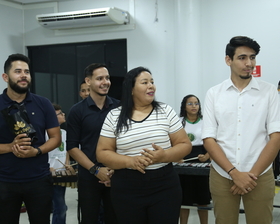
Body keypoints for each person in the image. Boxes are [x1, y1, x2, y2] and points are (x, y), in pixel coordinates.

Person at [96, 66, 192, 224]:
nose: (151, 86)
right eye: (145, 82)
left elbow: (184, 144)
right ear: (131, 89)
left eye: (152, 82)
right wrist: (130, 162)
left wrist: (164, 156)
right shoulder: (114, 116)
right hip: (126, 187)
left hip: (164, 185)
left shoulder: (165, 111)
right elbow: (102, 152)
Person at [202, 36, 280, 224]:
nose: (249, 63)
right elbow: (209, 139)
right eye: (242, 58)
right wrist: (234, 174)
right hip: (223, 174)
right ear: (228, 60)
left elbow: (276, 138)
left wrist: (250, 176)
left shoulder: (269, 92)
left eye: (252, 58)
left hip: (259, 174)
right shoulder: (214, 93)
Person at [0, 53, 61, 224]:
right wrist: (11, 146)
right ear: (6, 77)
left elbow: (56, 137)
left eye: (26, 72)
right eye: (18, 71)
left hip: (39, 180)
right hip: (4, 180)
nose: (23, 76)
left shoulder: (43, 104)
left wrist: (37, 151)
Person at [66, 63, 119, 224]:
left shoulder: (119, 107)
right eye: (100, 78)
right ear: (88, 81)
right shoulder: (77, 110)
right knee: (89, 219)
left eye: (107, 78)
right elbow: (72, 147)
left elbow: (125, 141)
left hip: (116, 174)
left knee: (115, 219)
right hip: (89, 176)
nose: (105, 82)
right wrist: (96, 170)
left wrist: (113, 169)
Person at [178, 94, 211, 224]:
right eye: (190, 103)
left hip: (202, 158)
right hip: (183, 160)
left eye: (196, 103)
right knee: (184, 199)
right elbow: (173, 142)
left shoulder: (206, 121)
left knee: (203, 199)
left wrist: (207, 156)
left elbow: (213, 142)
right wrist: (177, 157)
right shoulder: (179, 122)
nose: (194, 106)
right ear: (184, 107)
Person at [48, 103, 74, 224]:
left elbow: (67, 150)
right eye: (60, 113)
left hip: (62, 174)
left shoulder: (64, 132)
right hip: (51, 174)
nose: (64, 114)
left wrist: (67, 163)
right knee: (60, 208)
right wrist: (47, 167)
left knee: (60, 207)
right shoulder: (45, 134)